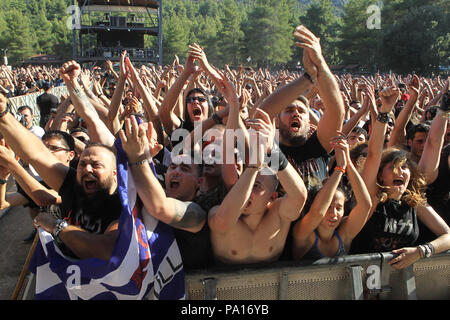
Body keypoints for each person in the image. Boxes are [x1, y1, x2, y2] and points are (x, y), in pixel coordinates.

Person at [349, 85, 450, 269]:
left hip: (399, 282)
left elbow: (448, 236)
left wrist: (421, 251)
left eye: (404, 168)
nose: (401, 172)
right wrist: (384, 112)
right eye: (393, 167)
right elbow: (373, 154)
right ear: (380, 174)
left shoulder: (413, 202)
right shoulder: (371, 196)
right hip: (360, 280)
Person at [207, 108, 308, 265]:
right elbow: (223, 222)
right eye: (244, 182)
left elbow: (299, 195)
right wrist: (253, 167)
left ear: (272, 197)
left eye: (256, 186)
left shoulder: (279, 213)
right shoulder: (217, 212)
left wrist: (272, 150)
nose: (246, 192)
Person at [259, 25, 345, 192]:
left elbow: (336, 111)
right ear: (276, 121)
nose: (296, 113)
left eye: (302, 111)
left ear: (309, 120)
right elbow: (262, 113)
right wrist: (308, 78)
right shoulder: (269, 148)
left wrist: (320, 62)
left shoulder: (318, 147)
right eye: (289, 110)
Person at [119, 116, 213, 269]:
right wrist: (145, 156)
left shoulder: (197, 215)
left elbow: (159, 207)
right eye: (172, 167)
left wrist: (138, 157)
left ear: (199, 182)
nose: (175, 172)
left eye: (184, 169)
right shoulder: (158, 190)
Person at [292, 134, 371, 260]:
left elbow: (365, 206)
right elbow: (317, 212)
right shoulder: (303, 233)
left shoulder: (344, 233)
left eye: (339, 208)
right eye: (328, 207)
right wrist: (339, 168)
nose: (334, 214)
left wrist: (347, 163)